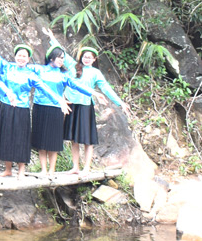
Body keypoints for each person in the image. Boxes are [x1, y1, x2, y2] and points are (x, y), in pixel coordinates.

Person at [62, 40, 129, 171]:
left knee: (87, 139)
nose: (86, 59)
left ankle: (86, 167)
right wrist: (51, 37)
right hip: (72, 105)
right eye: (85, 56)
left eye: (89, 57)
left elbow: (106, 88)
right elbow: (62, 54)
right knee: (73, 139)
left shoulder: (95, 73)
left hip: (86, 107)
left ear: (94, 59)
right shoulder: (73, 65)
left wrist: (120, 102)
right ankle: (75, 167)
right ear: (81, 57)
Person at [0, 39, 38, 180]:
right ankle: (8, 169)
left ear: (28, 59)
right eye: (19, 55)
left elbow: (44, 87)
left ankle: (21, 170)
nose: (21, 58)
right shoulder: (7, 67)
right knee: (5, 136)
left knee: (21, 138)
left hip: (22, 109)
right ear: (15, 56)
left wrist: (59, 100)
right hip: (6, 106)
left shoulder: (31, 74)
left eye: (24, 56)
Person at [32, 35, 72, 178]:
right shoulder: (39, 69)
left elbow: (76, 85)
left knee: (53, 140)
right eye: (59, 57)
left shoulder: (64, 74)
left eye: (63, 58)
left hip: (56, 108)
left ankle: (52, 170)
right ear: (51, 58)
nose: (62, 60)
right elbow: (22, 67)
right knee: (41, 139)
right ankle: (43, 170)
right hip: (40, 106)